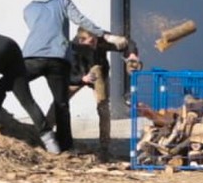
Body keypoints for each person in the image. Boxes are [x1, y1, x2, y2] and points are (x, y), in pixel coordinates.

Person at [22, 0, 126, 154]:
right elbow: (81, 19)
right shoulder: (63, 6)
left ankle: (103, 145)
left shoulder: (28, 9)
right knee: (61, 104)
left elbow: (126, 45)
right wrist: (105, 34)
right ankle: (56, 142)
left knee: (15, 85)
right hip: (67, 68)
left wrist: (130, 54)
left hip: (35, 58)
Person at [45, 27, 142, 158]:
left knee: (103, 107)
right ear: (81, 40)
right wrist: (82, 79)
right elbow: (65, 74)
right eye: (91, 42)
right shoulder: (71, 49)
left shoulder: (101, 40)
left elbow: (128, 43)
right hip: (78, 76)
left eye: (95, 40)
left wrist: (131, 54)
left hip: (98, 76)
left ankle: (104, 146)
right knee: (59, 102)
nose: (94, 45)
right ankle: (45, 133)